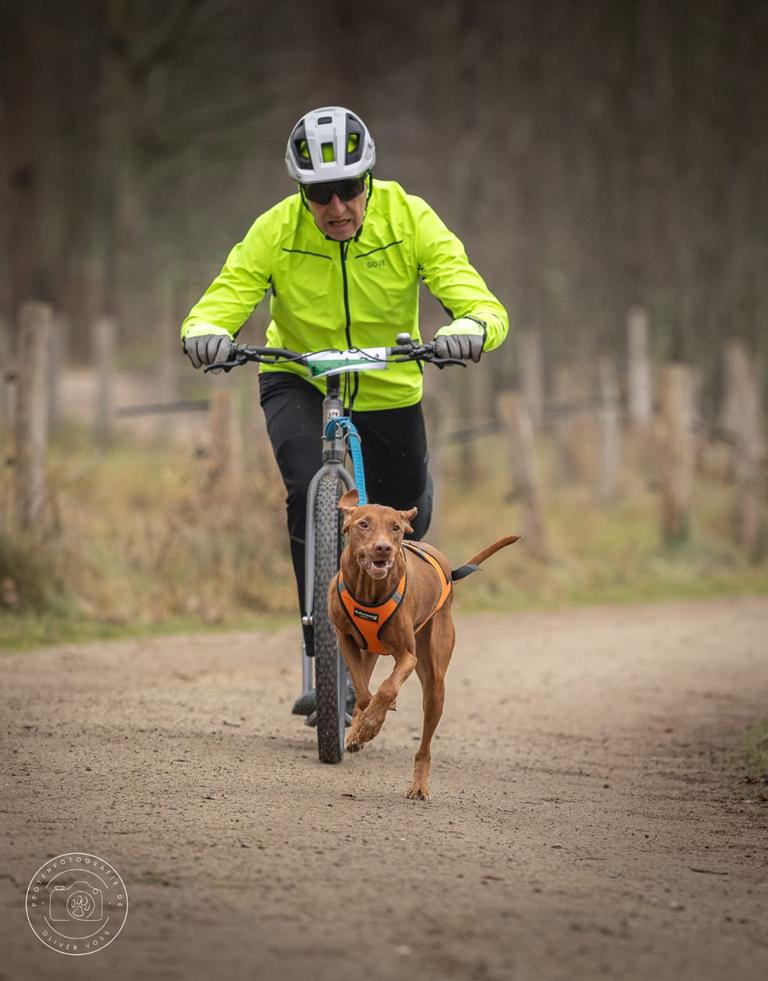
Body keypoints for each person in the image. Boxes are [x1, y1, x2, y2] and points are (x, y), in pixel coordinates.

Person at [181, 106, 508, 718]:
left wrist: (470, 327)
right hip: (298, 378)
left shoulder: (410, 218)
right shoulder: (275, 230)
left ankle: (387, 631)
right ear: (301, 193)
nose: (336, 207)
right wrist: (205, 331)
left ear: (369, 181)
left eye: (348, 190)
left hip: (388, 387)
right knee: (313, 491)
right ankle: (323, 654)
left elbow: (480, 299)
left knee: (410, 510)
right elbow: (223, 297)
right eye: (318, 194)